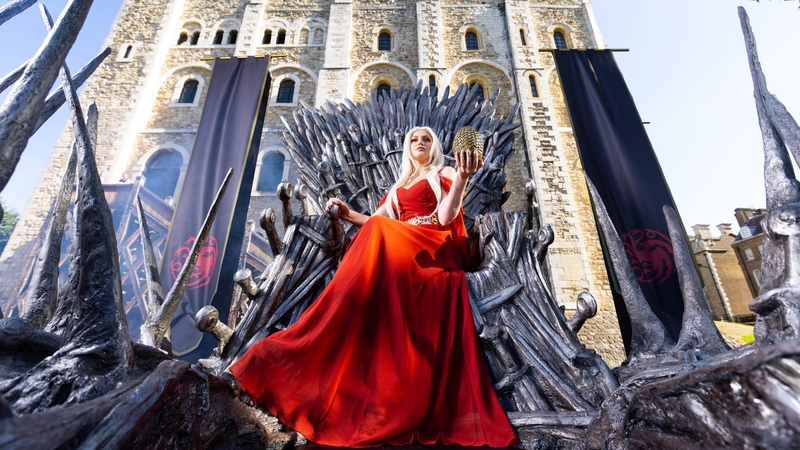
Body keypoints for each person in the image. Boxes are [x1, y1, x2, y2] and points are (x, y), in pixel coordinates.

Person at [229, 127, 517, 447]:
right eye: (414, 139)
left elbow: (449, 217)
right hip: (401, 243)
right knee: (379, 230)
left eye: (427, 139)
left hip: (435, 245)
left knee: (382, 231)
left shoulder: (445, 171)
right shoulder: (399, 187)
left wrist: (462, 177)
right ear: (407, 147)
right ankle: (345, 306)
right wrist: (347, 213)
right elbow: (377, 220)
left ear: (435, 146)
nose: (420, 142)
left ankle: (346, 296)